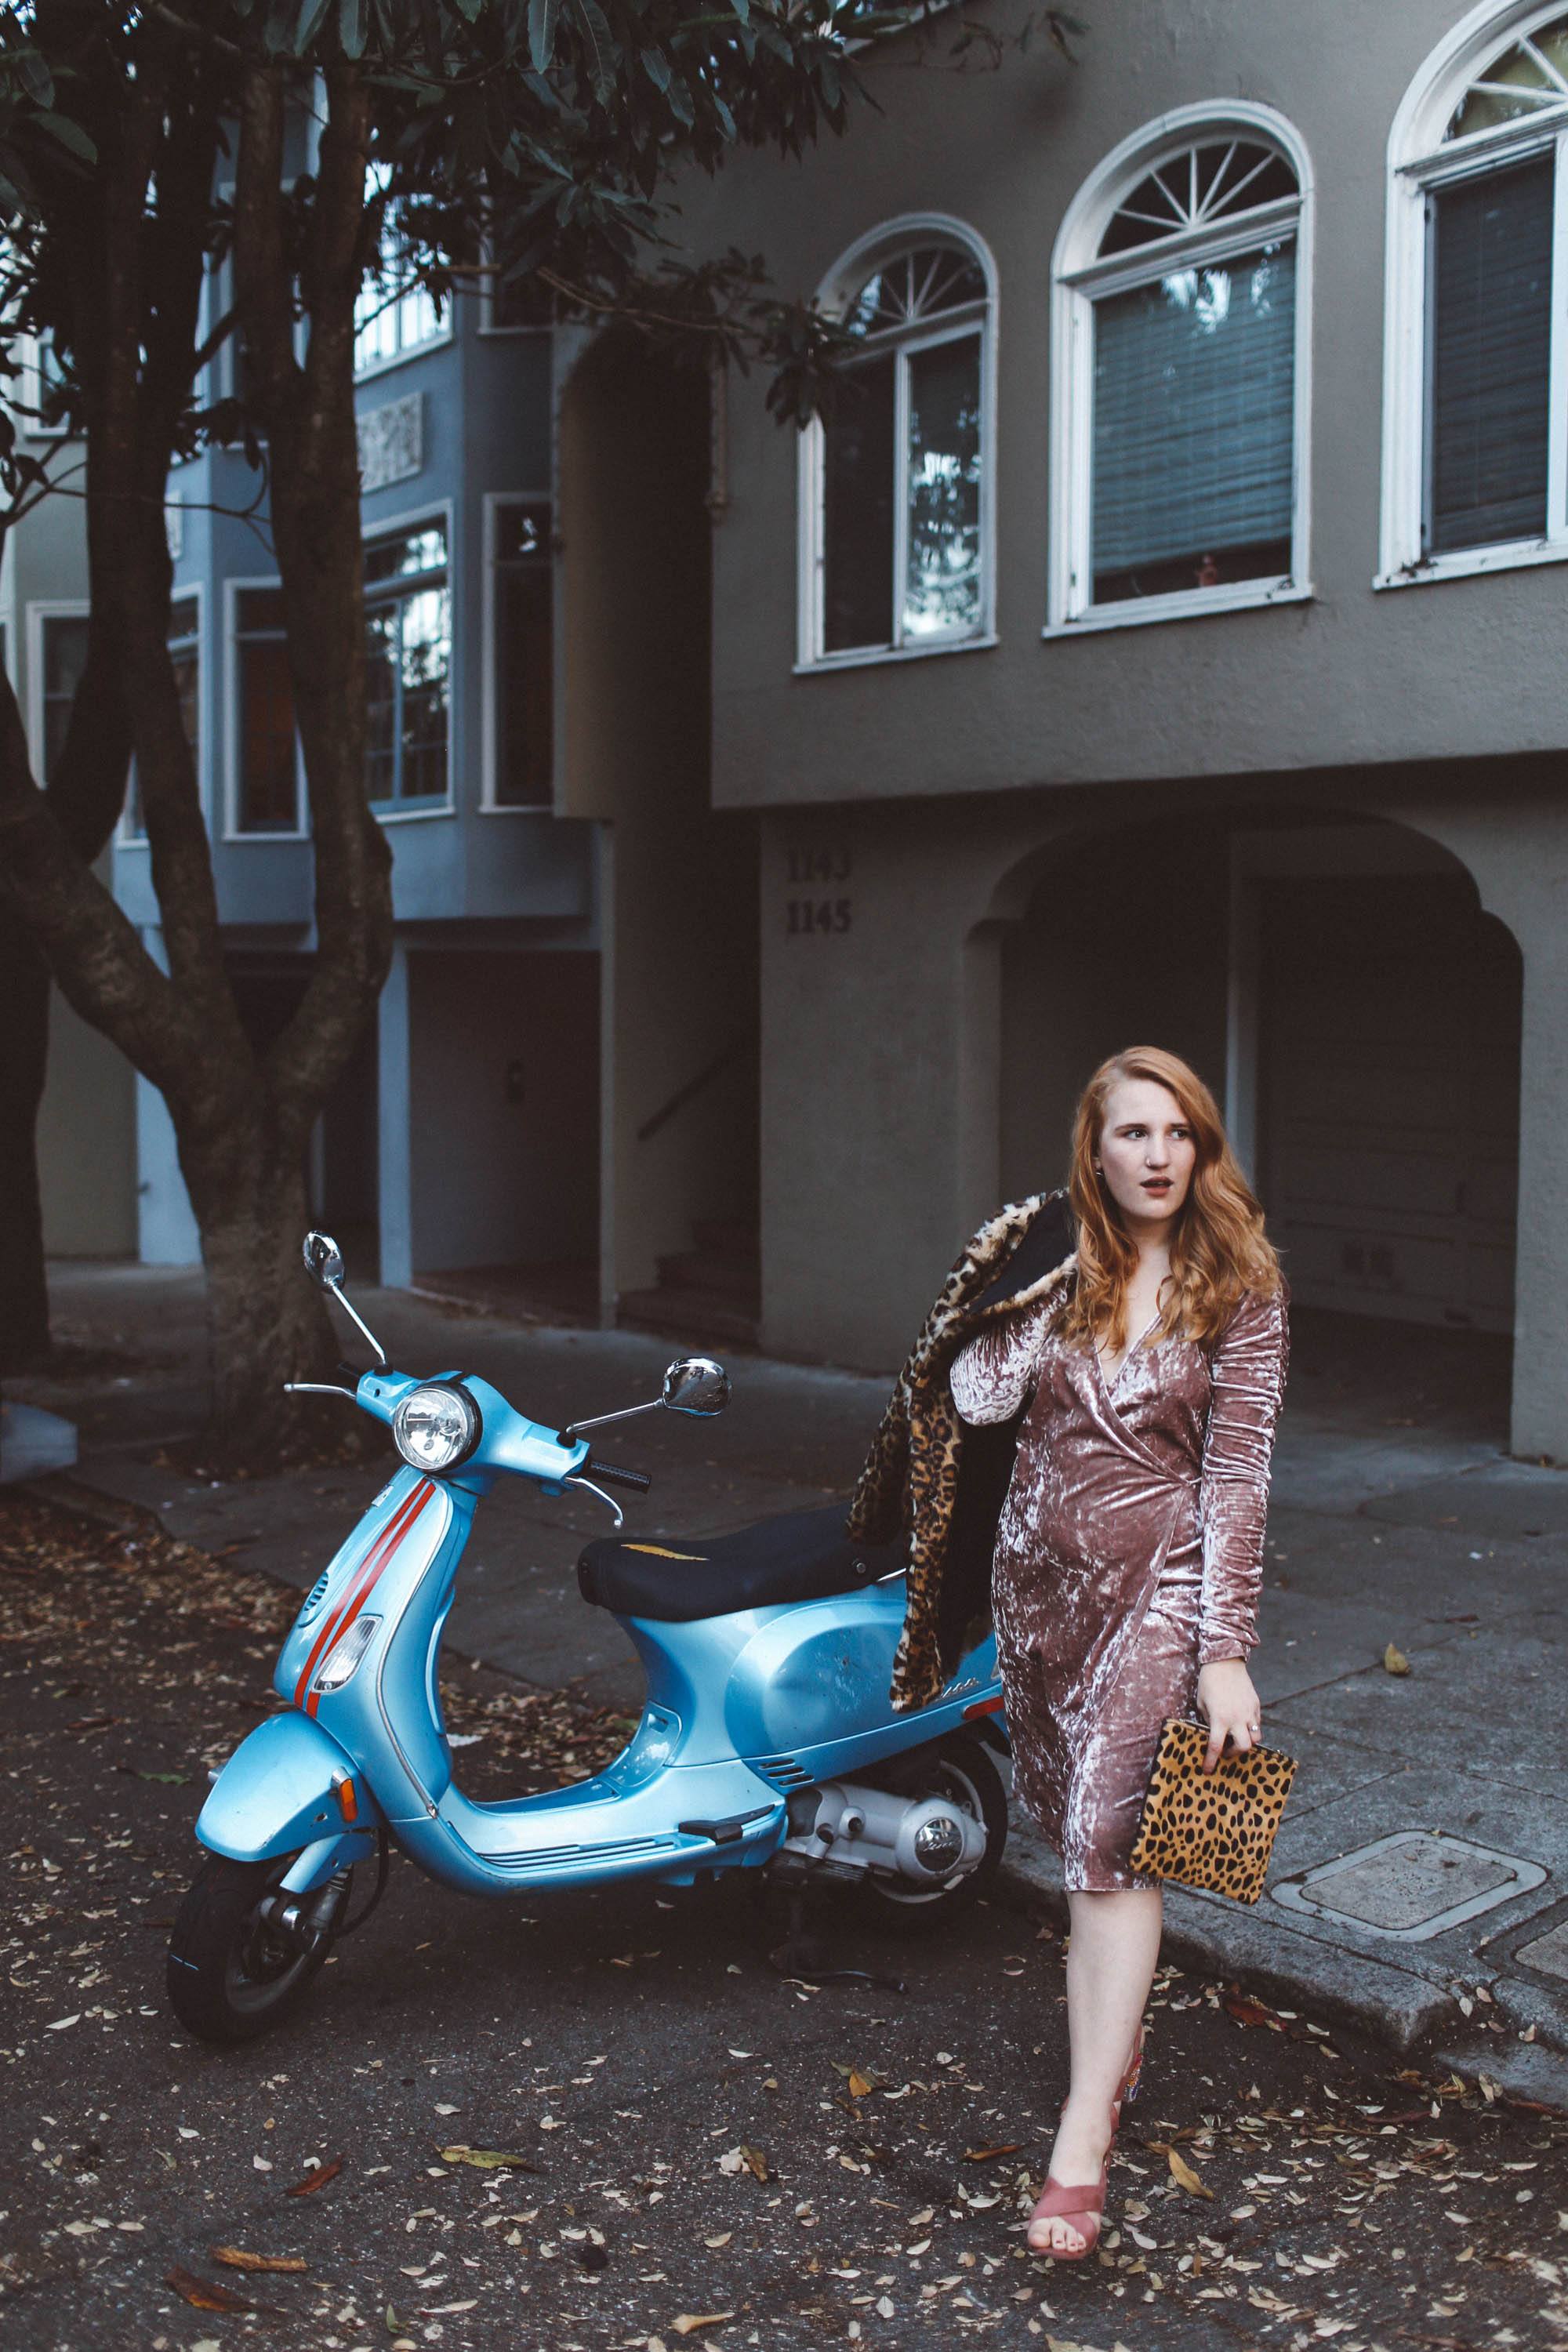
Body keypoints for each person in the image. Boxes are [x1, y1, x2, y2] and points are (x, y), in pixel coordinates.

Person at [946, 1044, 1289, 2260]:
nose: (1157, 1156)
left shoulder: (1241, 1282)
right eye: (1133, 1134)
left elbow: (1238, 1476)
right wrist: (1019, 1277)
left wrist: (1224, 1652)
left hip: (1161, 1593)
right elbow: (976, 1399)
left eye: (1178, 1133)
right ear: (1094, 1152)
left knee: (1103, 1839)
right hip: (1041, 1597)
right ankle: (1118, 2042)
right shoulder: (1062, 1268)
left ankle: (1082, 2135)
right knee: (1086, 1843)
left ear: (1204, 1149)